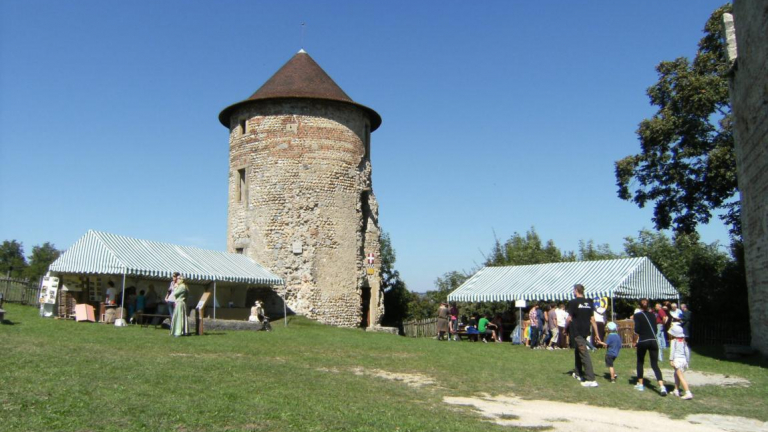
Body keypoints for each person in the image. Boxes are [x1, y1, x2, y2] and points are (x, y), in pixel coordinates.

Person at [567, 284, 601, 387]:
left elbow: (569, 318)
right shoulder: (589, 303)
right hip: (586, 331)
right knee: (578, 350)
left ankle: (591, 379)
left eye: (573, 290)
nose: (573, 292)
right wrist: (597, 334)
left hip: (577, 331)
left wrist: (565, 329)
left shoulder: (573, 302)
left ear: (576, 290)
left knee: (584, 353)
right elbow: (592, 319)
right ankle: (578, 373)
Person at [633, 299, 667, 395]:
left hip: (643, 340)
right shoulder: (653, 315)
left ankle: (640, 384)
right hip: (653, 341)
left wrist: (636, 339)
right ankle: (662, 386)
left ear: (639, 306)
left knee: (640, 362)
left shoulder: (637, 315)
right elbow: (655, 330)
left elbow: (637, 330)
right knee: (654, 365)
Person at [668, 325, 693, 399]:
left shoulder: (673, 341)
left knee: (681, 376)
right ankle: (676, 390)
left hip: (677, 360)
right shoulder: (683, 341)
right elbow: (687, 352)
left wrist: (671, 360)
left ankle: (688, 392)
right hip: (683, 360)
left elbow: (672, 351)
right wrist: (687, 361)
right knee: (676, 375)